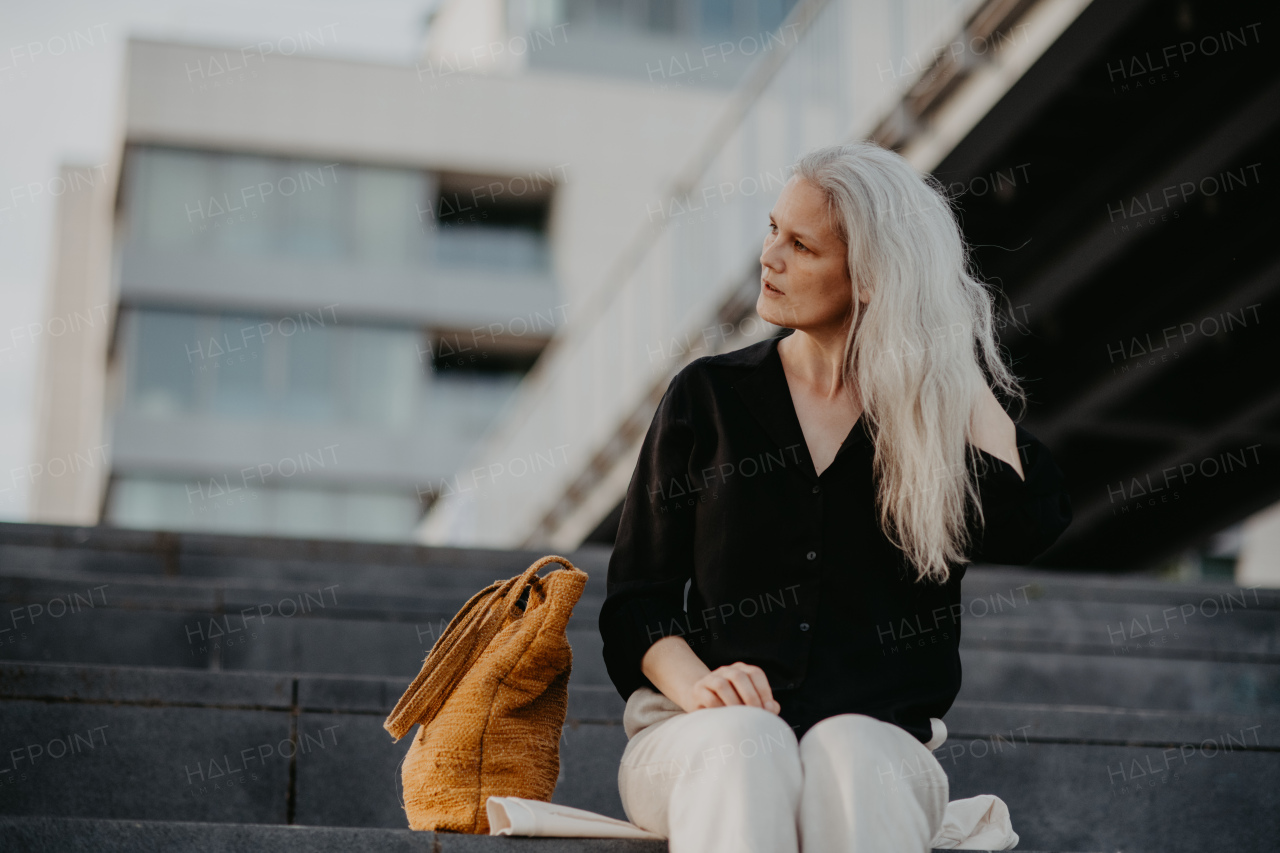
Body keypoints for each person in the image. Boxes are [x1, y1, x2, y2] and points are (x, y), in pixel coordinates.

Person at [596, 141, 1073, 853]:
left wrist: (944, 356)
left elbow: (1029, 521)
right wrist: (699, 686)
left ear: (872, 278)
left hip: (877, 752)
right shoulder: (709, 397)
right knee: (749, 743)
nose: (770, 258)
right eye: (771, 231)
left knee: (847, 749)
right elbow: (638, 600)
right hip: (697, 741)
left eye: (801, 246)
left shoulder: (929, 426)